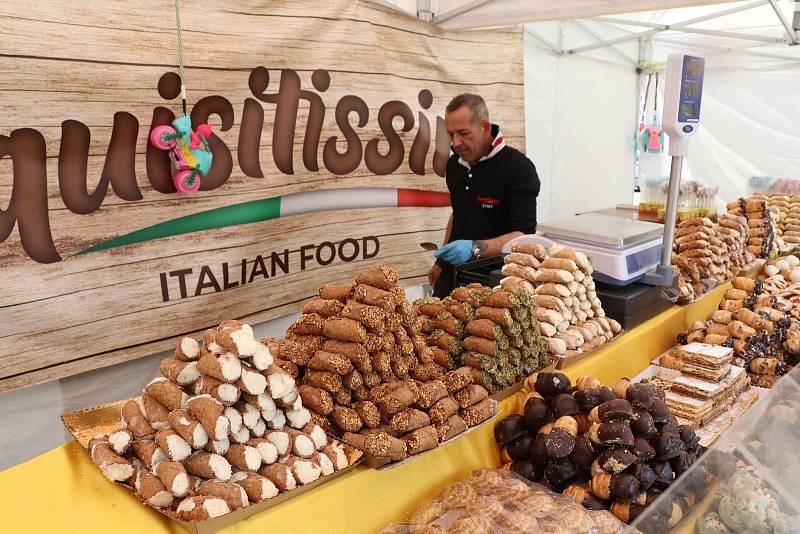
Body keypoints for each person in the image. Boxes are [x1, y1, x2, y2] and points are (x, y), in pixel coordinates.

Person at [429, 93, 540, 297]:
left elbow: (524, 235)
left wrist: (475, 249)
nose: (456, 142)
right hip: (452, 274)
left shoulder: (518, 168)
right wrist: (441, 262)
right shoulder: (455, 165)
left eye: (463, 133)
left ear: (485, 127)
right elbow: (458, 213)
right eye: (451, 134)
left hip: (496, 278)